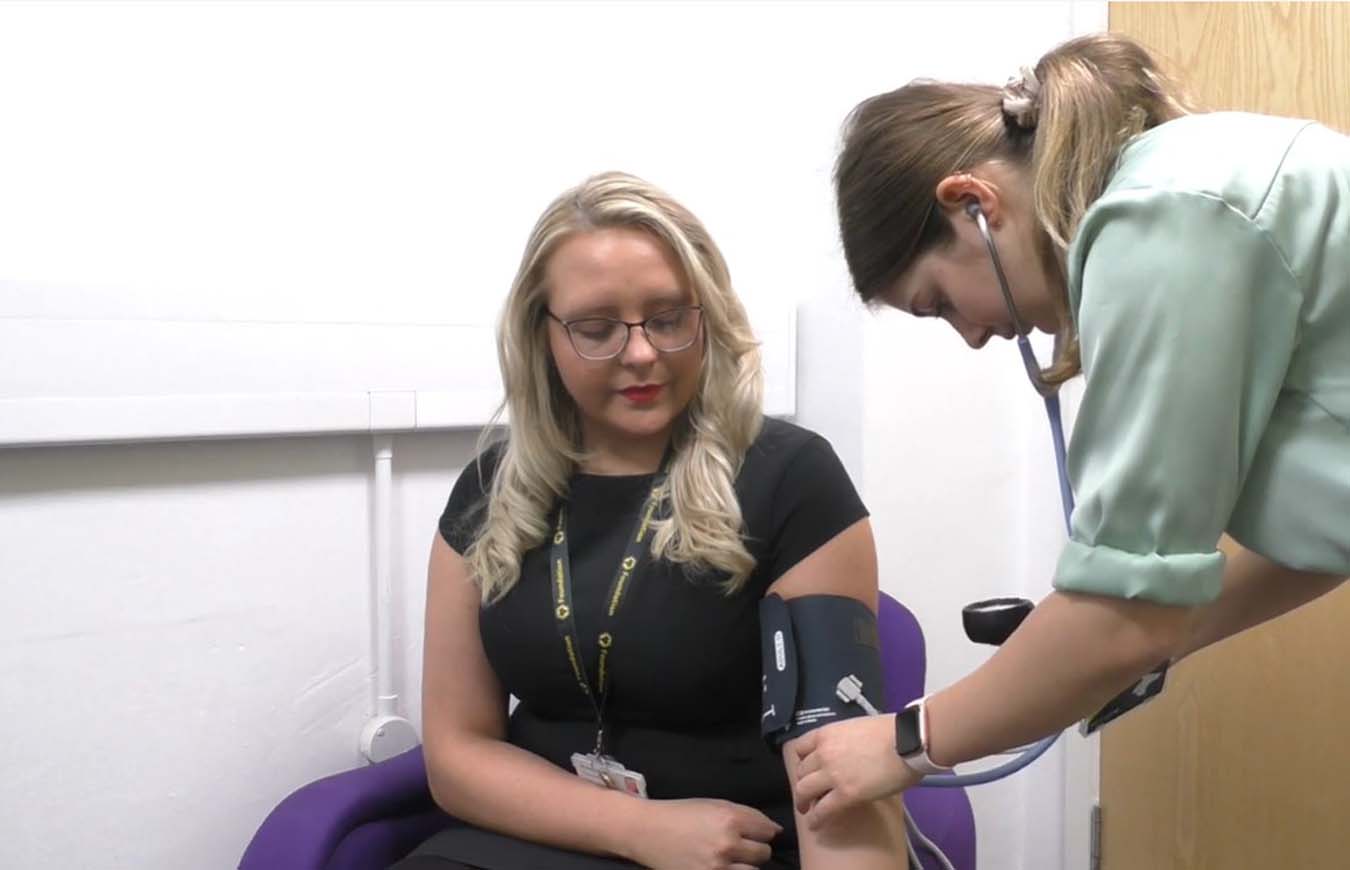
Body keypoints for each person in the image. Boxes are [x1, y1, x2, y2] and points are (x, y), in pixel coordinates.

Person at [792, 32, 1350, 828]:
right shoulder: (1188, 189)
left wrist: (904, 741)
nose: (974, 335)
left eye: (940, 302)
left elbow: (1124, 616)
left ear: (973, 204)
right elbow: (1321, 537)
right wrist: (1150, 641)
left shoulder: (1161, 219)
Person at [393, 171, 907, 869]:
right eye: (597, 329)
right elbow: (457, 754)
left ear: (709, 315)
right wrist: (639, 829)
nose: (641, 353)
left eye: (668, 318)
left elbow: (839, 774)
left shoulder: (792, 479)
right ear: (541, 336)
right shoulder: (489, 492)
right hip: (542, 836)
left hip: (738, 846)